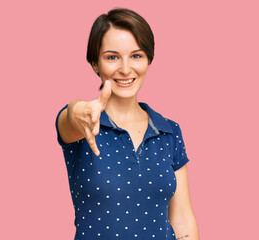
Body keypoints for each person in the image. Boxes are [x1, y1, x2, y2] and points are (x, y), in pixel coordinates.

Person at [55, 8, 199, 240]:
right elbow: (71, 116)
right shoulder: (84, 125)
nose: (125, 68)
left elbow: (182, 217)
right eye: (112, 57)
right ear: (94, 63)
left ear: (149, 60)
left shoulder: (170, 131)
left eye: (136, 55)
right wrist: (78, 108)